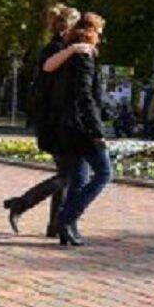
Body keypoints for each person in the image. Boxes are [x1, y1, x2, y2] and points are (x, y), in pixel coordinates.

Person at [3, 5, 95, 237]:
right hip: (54, 122)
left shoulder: (61, 48)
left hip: (55, 120)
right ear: (68, 28)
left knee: (66, 173)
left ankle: (54, 225)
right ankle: (21, 204)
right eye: (78, 26)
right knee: (68, 175)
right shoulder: (56, 49)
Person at [52, 13, 112, 247]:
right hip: (81, 128)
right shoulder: (84, 58)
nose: (100, 39)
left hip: (67, 125)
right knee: (104, 173)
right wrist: (97, 131)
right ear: (91, 32)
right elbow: (85, 97)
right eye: (99, 34)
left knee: (79, 178)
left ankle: (68, 228)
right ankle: (65, 219)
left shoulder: (69, 54)